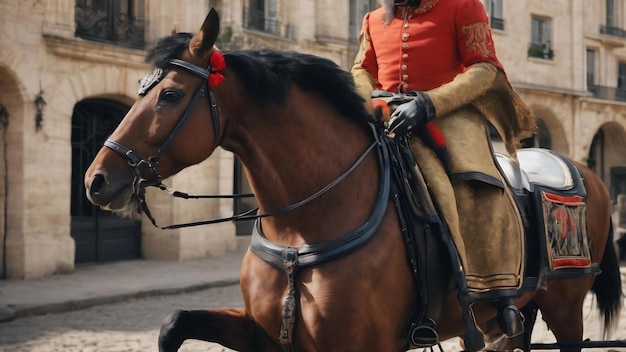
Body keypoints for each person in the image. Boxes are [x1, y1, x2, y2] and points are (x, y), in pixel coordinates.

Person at [351, 0, 537, 345]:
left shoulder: (464, 6)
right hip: (388, 113)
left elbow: (484, 69)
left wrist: (428, 103)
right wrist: (370, 101)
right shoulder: (373, 19)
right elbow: (362, 68)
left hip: (449, 113)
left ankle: (495, 293)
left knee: (475, 185)